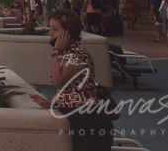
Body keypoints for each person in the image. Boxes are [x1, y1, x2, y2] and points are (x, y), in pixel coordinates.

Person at [29, 9, 114, 151]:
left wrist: (57, 51)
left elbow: (59, 81)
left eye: (55, 29)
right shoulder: (69, 52)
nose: (50, 33)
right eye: (50, 28)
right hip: (79, 119)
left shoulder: (77, 54)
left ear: (68, 33)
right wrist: (52, 102)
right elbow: (69, 88)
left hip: (89, 121)